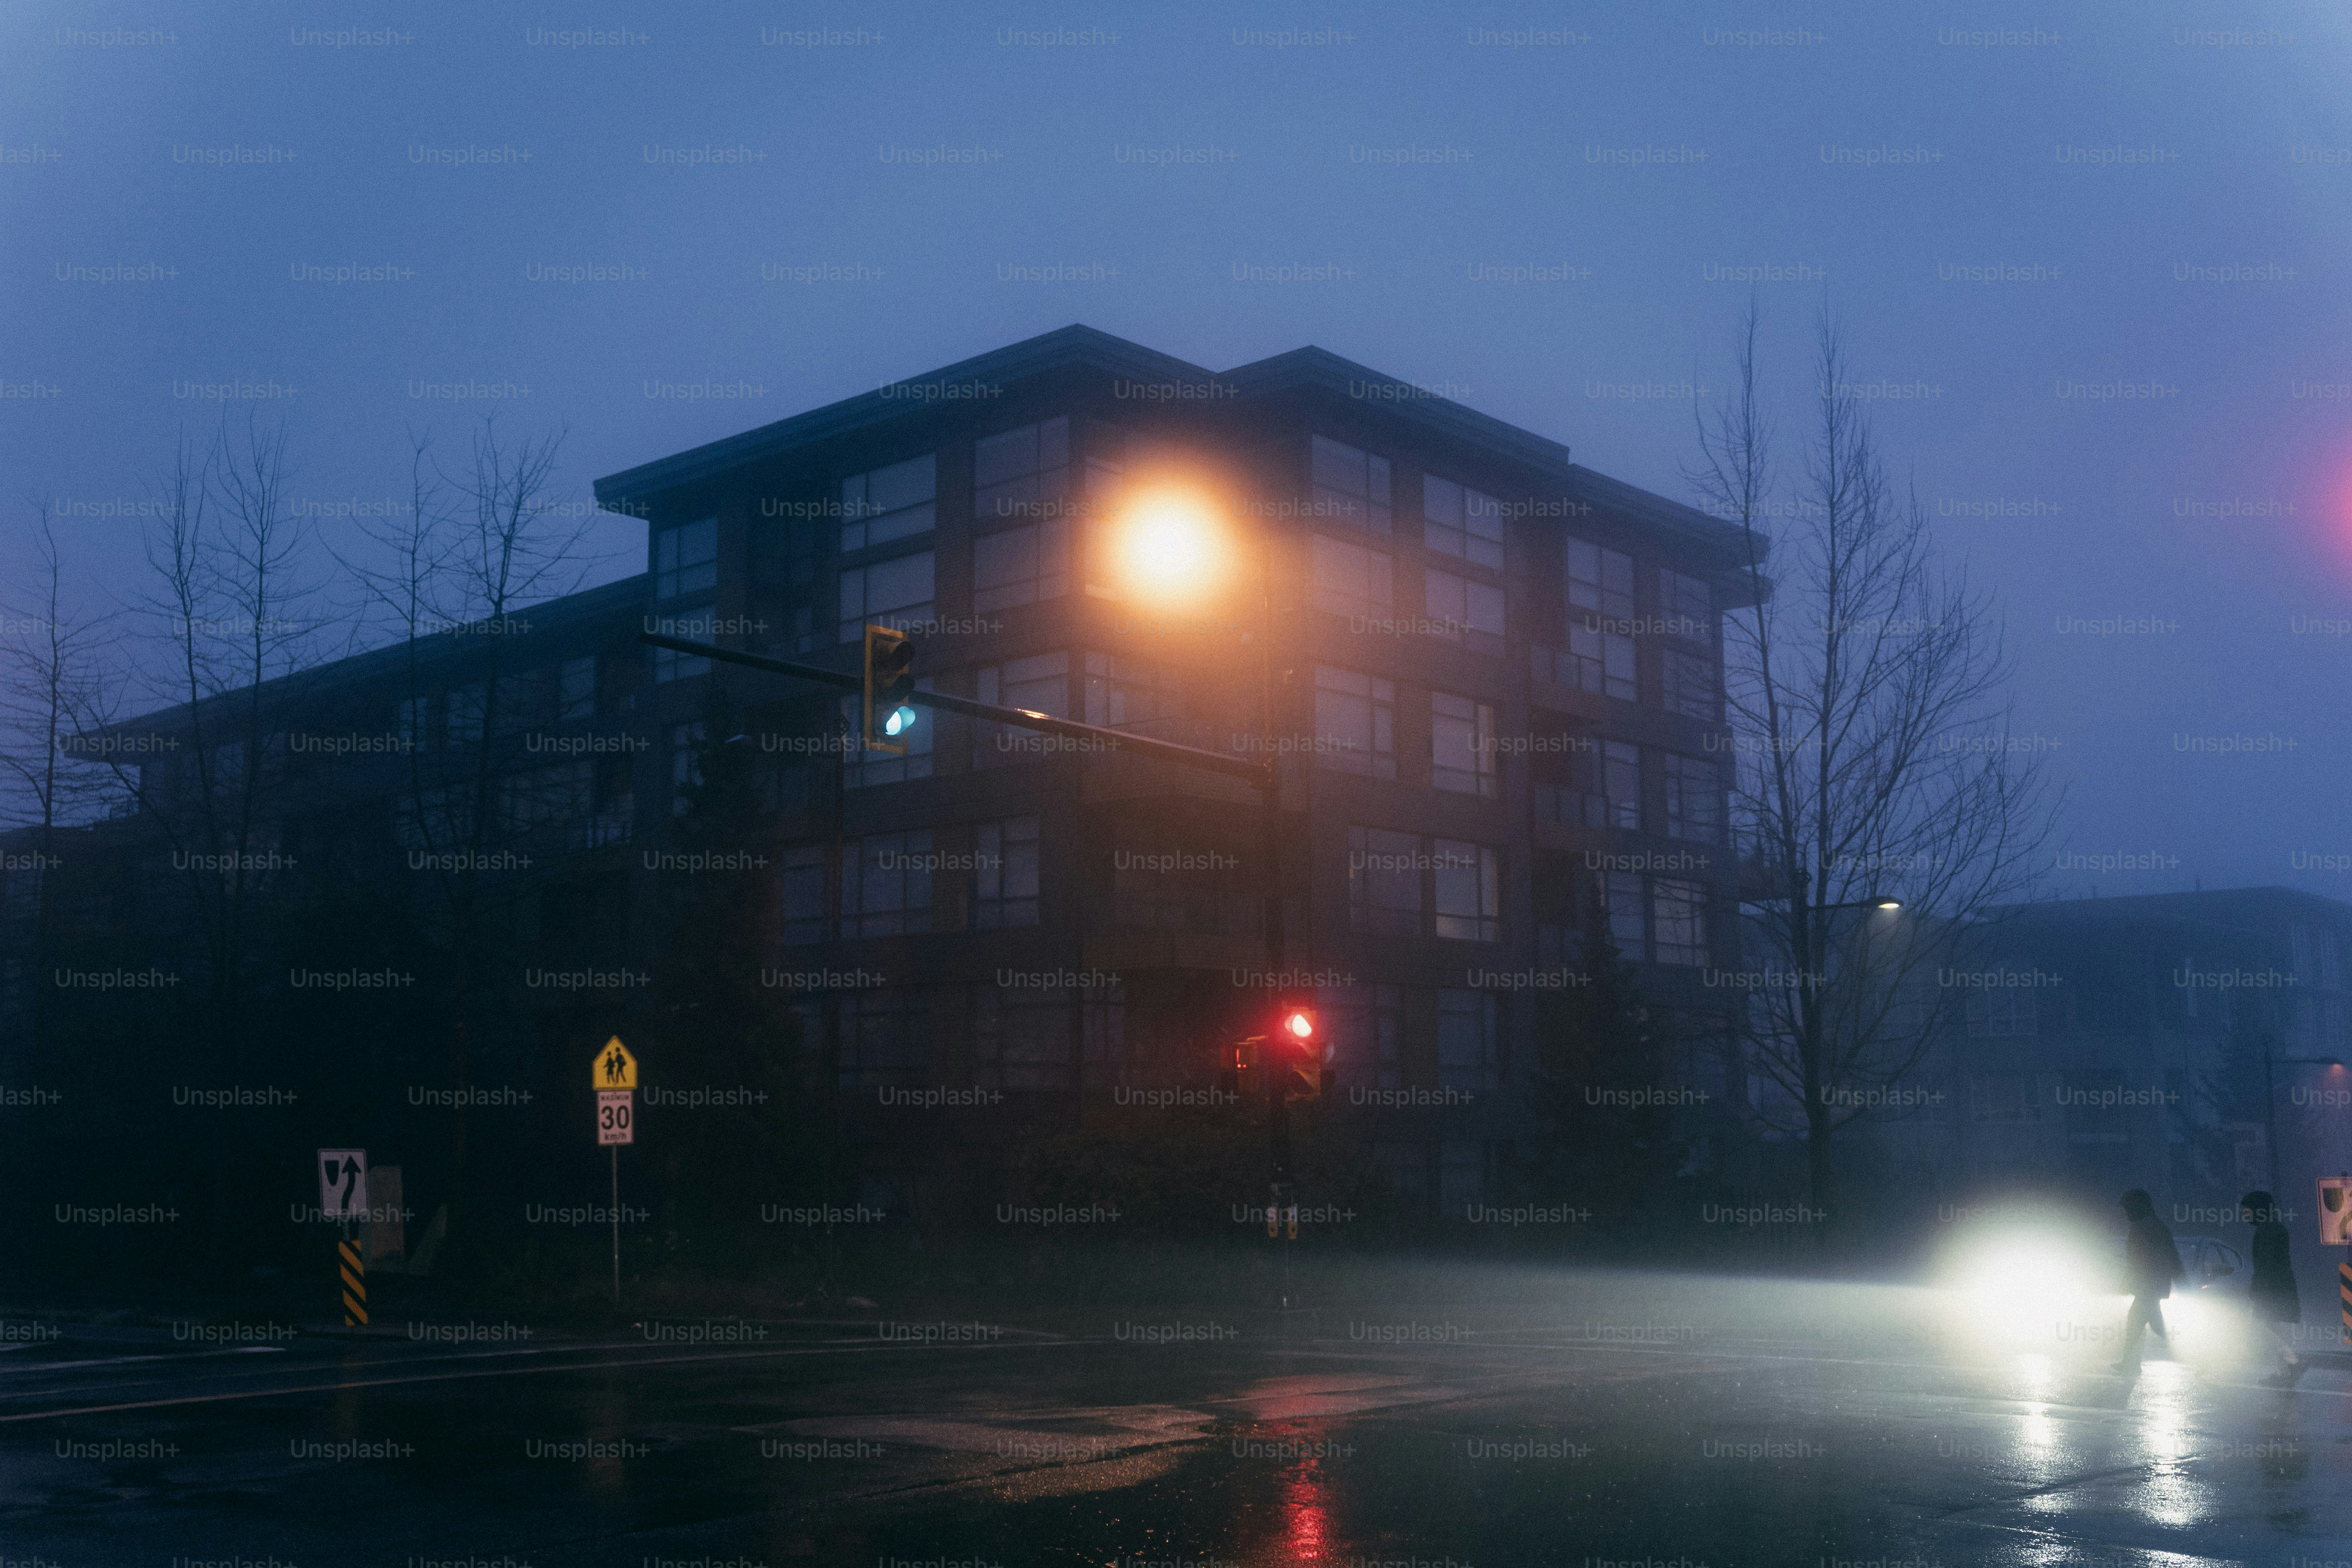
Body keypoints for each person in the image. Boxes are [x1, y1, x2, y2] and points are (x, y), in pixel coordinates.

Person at [2114, 1188, 2185, 1375]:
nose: (2127, 1212)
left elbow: (2141, 1261)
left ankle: (2199, 1356)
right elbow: (2170, 1257)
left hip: (2148, 1287)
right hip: (2151, 1286)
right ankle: (2131, 1364)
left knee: (2142, 1324)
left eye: (2129, 1207)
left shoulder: (2146, 1228)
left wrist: (2127, 1281)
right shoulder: (2153, 1226)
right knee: (2143, 1325)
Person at [2241, 1190, 2305, 1387]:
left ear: (2257, 1209)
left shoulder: (2266, 1231)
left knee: (2261, 1328)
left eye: (2247, 1211)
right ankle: (2283, 1374)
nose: (2245, 1215)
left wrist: (2257, 1291)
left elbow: (2266, 1266)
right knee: (2277, 1328)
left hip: (2272, 1290)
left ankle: (2293, 1361)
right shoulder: (2275, 1228)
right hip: (2281, 1287)